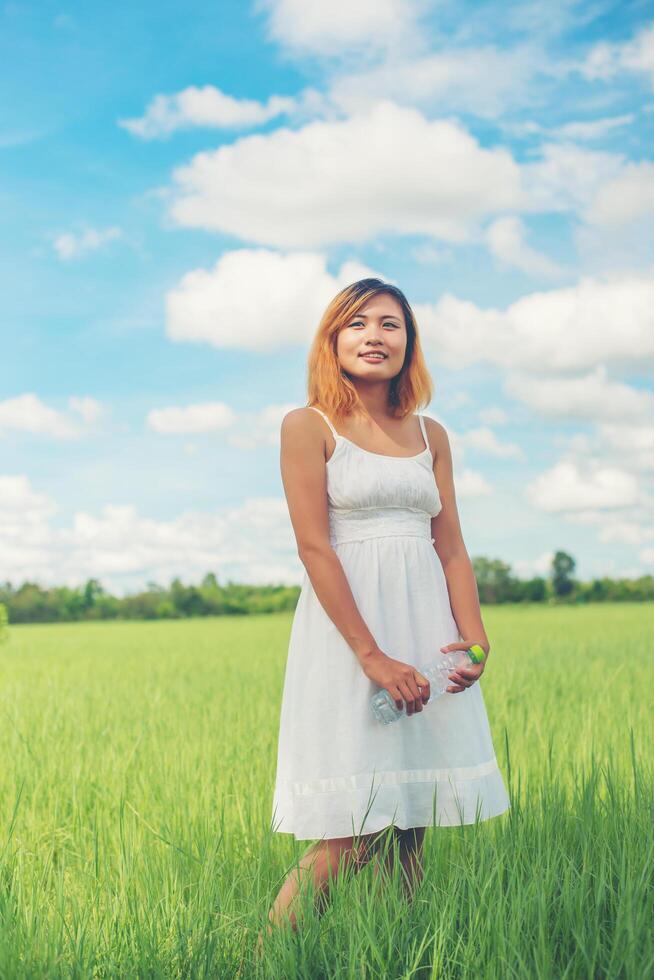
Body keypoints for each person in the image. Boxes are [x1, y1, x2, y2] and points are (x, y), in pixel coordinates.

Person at [260, 277, 510, 947]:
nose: (375, 335)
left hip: (426, 630)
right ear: (332, 339)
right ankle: (261, 962)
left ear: (410, 342)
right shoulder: (306, 425)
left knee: (411, 820)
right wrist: (371, 656)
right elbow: (314, 548)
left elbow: (450, 546)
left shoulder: (432, 434)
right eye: (358, 323)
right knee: (353, 829)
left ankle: (400, 950)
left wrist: (475, 637)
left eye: (391, 324)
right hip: (351, 640)